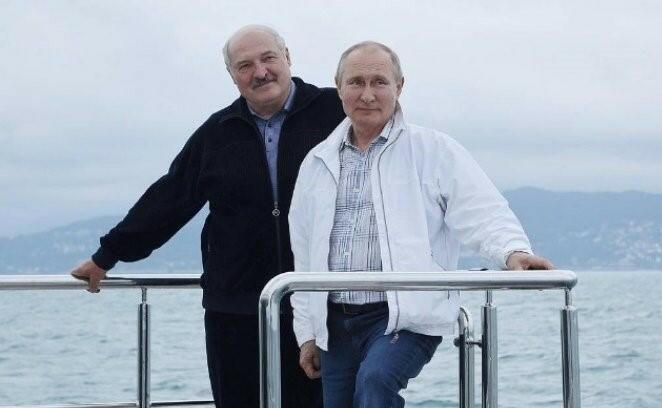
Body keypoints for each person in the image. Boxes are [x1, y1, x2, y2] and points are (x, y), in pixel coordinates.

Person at [70, 25, 345, 408]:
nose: (260, 72)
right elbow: (170, 198)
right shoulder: (218, 131)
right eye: (245, 65)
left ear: (287, 57)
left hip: (320, 304)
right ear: (232, 75)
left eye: (268, 58)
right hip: (235, 309)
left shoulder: (336, 111)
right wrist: (107, 254)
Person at [288, 41, 554, 408]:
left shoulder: (434, 150)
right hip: (335, 322)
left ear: (399, 87)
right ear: (339, 87)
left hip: (403, 315)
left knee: (376, 381)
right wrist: (307, 332)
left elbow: (481, 210)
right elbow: (304, 252)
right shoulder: (317, 162)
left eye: (379, 82)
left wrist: (513, 252)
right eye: (356, 82)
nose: (367, 94)